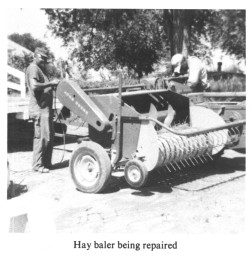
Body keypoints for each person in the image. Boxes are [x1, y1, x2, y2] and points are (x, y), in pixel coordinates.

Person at [26, 47, 60, 173]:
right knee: (41, 138)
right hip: (39, 109)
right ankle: (38, 165)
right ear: (35, 56)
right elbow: (34, 86)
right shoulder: (33, 68)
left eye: (46, 58)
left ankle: (46, 163)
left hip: (46, 109)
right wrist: (50, 84)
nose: (44, 60)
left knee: (49, 137)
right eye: (42, 58)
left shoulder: (41, 69)